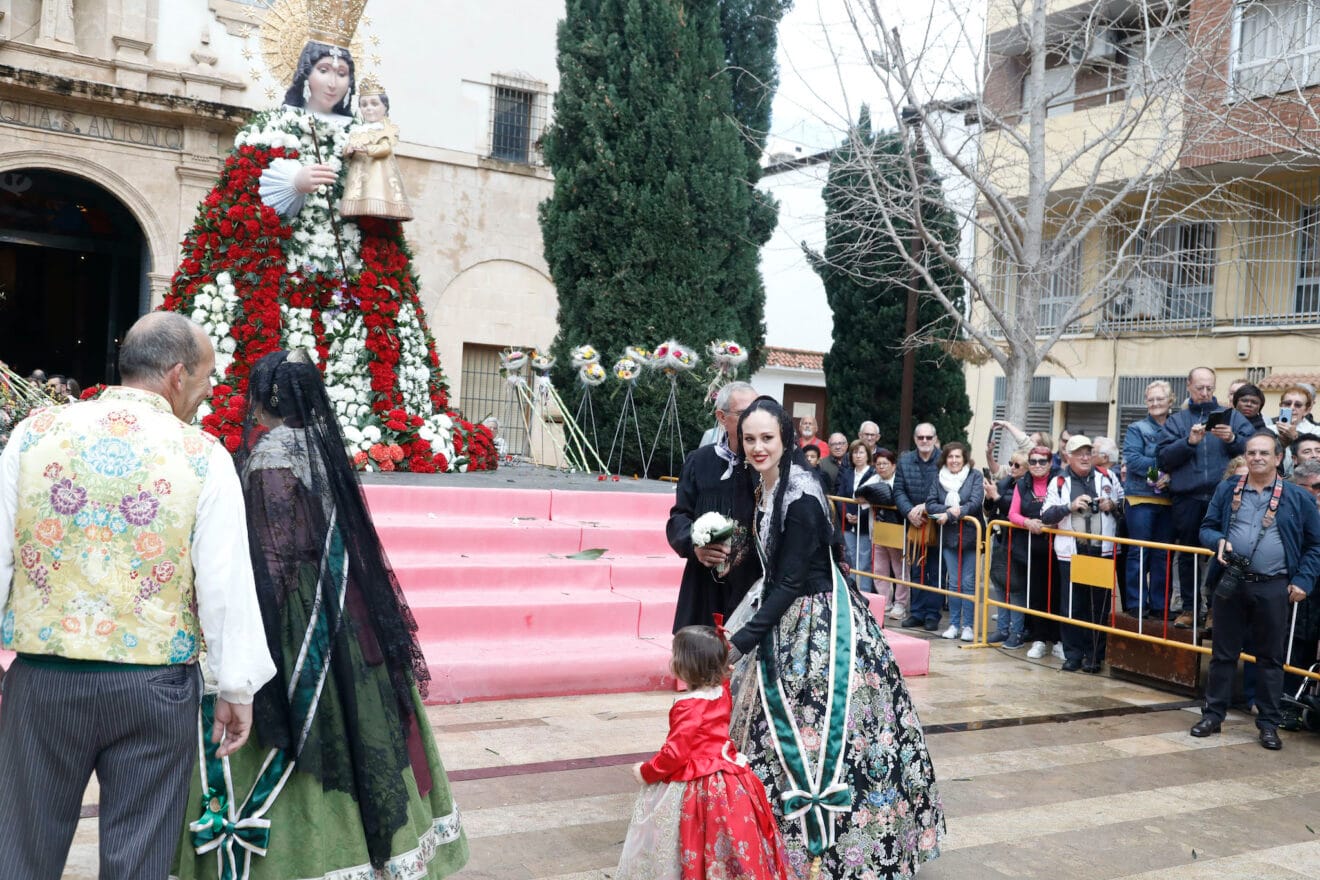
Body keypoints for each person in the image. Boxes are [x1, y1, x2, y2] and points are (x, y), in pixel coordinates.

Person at [171, 350, 468, 879]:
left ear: (262, 401)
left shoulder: (271, 460)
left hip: (296, 610)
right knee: (362, 725)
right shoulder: (322, 446)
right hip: (345, 601)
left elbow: (274, 554)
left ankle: (299, 854)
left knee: (292, 720)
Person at [0, 312, 275, 879]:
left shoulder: (34, 434)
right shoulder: (203, 456)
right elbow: (225, 582)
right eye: (205, 380)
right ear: (177, 375)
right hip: (155, 686)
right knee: (140, 857)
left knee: (20, 849)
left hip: (45, 678)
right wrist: (235, 685)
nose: (207, 393)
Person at [161, 22, 471, 468]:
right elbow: (242, 193)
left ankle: (362, 427)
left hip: (349, 277)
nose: (333, 80)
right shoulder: (273, 126)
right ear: (305, 72)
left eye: (343, 73)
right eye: (324, 69)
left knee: (354, 351)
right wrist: (295, 181)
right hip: (282, 276)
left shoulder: (361, 132)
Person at [726, 396, 943, 878]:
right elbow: (789, 556)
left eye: (767, 438)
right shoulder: (766, 484)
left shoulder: (800, 493)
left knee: (830, 733)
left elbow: (791, 581)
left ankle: (833, 852)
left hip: (817, 626)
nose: (758, 447)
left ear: (786, 439)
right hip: (786, 610)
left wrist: (742, 641)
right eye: (750, 439)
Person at [617, 625, 793, 880]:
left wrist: (646, 772)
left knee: (689, 836)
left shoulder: (688, 705)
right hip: (730, 778)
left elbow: (675, 753)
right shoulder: (720, 692)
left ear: (686, 665)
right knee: (727, 839)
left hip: (697, 783)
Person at [1193, 432, 1320, 750]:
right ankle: (1213, 715)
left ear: (1279, 458)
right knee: (1223, 654)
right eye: (1251, 452)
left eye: (1264, 452)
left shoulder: (1297, 497)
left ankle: (1268, 724)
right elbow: (1206, 528)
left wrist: (1304, 580)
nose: (1257, 457)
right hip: (1231, 581)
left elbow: (1315, 544)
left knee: (1270, 659)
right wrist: (1216, 542)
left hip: (1274, 585)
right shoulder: (1227, 489)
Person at [1158, 367, 1251, 628]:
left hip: (1226, 496)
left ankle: (1213, 611)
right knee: (1188, 554)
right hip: (1187, 497)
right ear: (1188, 386)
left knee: (1223, 553)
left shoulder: (1232, 417)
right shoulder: (1177, 421)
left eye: (1210, 387)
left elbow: (1256, 448)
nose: (1205, 392)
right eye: (1200, 387)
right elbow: (1163, 458)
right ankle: (1189, 608)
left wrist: (1232, 439)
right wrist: (1188, 442)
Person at [667, 381, 762, 631]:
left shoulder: (769, 465)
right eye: (744, 413)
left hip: (754, 583)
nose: (753, 419)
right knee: (701, 659)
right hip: (704, 583)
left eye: (758, 410)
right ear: (722, 417)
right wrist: (695, 544)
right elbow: (679, 516)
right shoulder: (699, 462)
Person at [1041, 435, 1124, 673]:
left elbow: (1125, 505)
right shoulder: (1059, 481)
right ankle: (1073, 655)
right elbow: (1046, 515)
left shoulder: (1108, 476)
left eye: (1088, 452)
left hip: (1102, 551)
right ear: (1068, 456)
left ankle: (1094, 656)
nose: (1085, 457)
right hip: (1071, 553)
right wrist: (1070, 506)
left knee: (1098, 606)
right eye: (1079, 453)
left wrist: (1112, 505)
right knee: (1072, 606)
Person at [1123, 380, 1174, 618]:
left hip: (1169, 501)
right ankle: (1136, 604)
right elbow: (1133, 460)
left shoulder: (1178, 427)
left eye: (1159, 399)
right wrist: (1160, 473)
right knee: (1138, 552)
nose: (1154, 403)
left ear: (1170, 401)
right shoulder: (1137, 428)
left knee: (1163, 555)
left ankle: (1160, 606)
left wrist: (1171, 477)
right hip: (1140, 499)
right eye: (1150, 399)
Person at [926, 441, 983, 642]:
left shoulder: (975, 476)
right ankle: (954, 624)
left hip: (970, 536)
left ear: (965, 458)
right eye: (950, 456)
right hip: (949, 537)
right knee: (954, 582)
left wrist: (951, 514)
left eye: (958, 456)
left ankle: (968, 625)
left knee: (968, 582)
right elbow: (930, 504)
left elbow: (975, 502)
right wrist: (947, 510)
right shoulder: (939, 478)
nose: (954, 460)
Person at [340, 76, 414, 220]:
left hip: (378, 171)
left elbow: (385, 148)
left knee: (376, 193)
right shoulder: (358, 130)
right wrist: (348, 150)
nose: (369, 108)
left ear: (385, 107)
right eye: (364, 104)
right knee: (358, 194)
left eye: (374, 104)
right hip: (358, 171)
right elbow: (348, 148)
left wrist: (368, 150)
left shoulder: (384, 129)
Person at [1011, 447, 1061, 656]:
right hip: (1032, 546)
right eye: (1033, 462)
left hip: (1059, 547)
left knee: (1059, 594)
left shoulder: (1060, 480)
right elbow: (1012, 513)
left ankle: (1058, 639)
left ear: (1050, 463)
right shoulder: (1022, 483)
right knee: (1037, 594)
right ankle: (1039, 639)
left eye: (1042, 461)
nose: (1037, 466)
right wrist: (1027, 522)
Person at [895, 423, 943, 632]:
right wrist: (909, 512)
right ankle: (917, 613)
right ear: (915, 440)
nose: (925, 441)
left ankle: (932, 615)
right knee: (916, 569)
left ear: (934, 438)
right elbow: (898, 491)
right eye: (921, 437)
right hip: (914, 524)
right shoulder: (905, 461)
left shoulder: (944, 460)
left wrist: (926, 507)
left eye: (928, 437)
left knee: (935, 571)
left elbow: (949, 489)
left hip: (938, 523)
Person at [985, 451, 1026, 643]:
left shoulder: (1027, 484)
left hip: (1019, 541)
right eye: (1010, 463)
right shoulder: (1005, 482)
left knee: (1016, 587)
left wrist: (997, 497)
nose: (1012, 467)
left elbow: (1019, 507)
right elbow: (992, 509)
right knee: (999, 584)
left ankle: (1016, 631)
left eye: (1017, 465)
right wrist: (989, 496)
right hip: (1000, 537)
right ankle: (1002, 628)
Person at [870, 448, 909, 620]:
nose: (881, 467)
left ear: (893, 466)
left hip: (898, 529)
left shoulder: (900, 481)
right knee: (879, 569)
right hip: (879, 529)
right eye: (878, 464)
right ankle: (884, 602)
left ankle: (901, 603)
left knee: (900, 569)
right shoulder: (872, 480)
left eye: (885, 464)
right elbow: (860, 496)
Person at [836, 440, 878, 592]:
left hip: (865, 523)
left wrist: (860, 516)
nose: (858, 456)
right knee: (849, 557)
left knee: (865, 560)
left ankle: (866, 592)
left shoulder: (874, 473)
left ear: (867, 455)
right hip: (847, 522)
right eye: (855, 452)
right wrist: (846, 513)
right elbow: (840, 496)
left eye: (861, 452)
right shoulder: (847, 473)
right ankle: (851, 591)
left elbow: (874, 498)